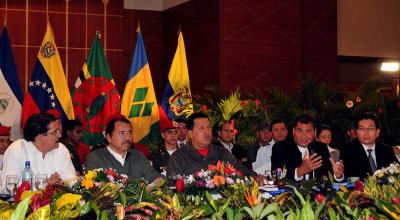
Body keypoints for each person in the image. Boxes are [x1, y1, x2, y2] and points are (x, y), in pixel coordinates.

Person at [167, 113, 259, 181]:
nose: (207, 132)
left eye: (209, 127)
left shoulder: (222, 152)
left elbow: (240, 169)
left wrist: (256, 177)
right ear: (190, 134)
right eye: (201, 128)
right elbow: (172, 184)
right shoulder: (178, 157)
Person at [0, 113, 76, 192]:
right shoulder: (17, 149)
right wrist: (44, 184)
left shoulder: (61, 149)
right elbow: (8, 188)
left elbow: (72, 183)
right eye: (55, 132)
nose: (59, 135)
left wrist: (61, 185)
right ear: (40, 135)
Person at [85, 115, 163, 183]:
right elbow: (94, 189)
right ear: (109, 138)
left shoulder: (138, 156)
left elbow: (153, 177)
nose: (128, 137)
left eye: (130, 132)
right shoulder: (95, 158)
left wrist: (158, 180)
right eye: (122, 133)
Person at [271, 113, 344, 182]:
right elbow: (277, 176)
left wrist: (337, 176)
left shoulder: (321, 148)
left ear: (315, 132)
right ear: (293, 131)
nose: (304, 136)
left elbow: (328, 177)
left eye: (308, 131)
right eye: (299, 131)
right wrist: (300, 171)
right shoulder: (280, 147)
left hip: (319, 194)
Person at [341, 112, 398, 179]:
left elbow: (397, 172)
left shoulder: (387, 150)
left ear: (377, 132)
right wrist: (339, 177)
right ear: (357, 132)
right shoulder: (347, 151)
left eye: (370, 129)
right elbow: (345, 178)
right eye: (362, 129)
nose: (366, 133)